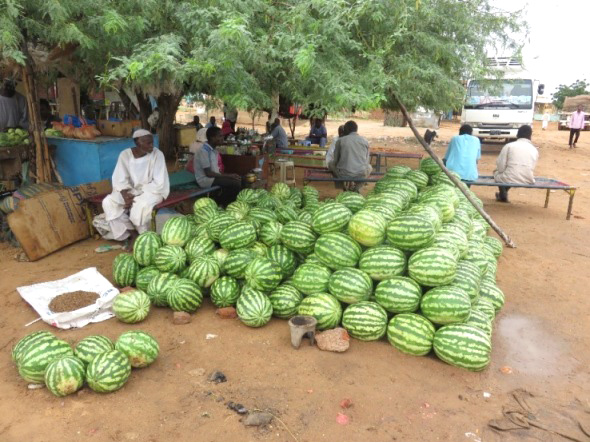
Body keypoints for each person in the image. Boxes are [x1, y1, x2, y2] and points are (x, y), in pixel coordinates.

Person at [99, 129, 170, 244]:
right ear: (137, 143)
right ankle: (132, 234)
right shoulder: (125, 155)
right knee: (108, 202)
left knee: (139, 205)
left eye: (152, 142)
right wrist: (125, 194)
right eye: (148, 143)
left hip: (153, 190)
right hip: (131, 190)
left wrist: (136, 195)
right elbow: (119, 179)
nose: (152, 145)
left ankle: (145, 238)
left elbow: (159, 182)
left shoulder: (158, 154)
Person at [193, 126, 242, 206]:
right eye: (220, 136)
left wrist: (228, 176)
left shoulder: (213, 150)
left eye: (222, 136)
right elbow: (208, 173)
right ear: (212, 138)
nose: (222, 138)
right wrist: (228, 176)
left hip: (214, 177)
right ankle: (224, 204)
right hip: (206, 180)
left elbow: (215, 171)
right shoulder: (204, 151)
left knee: (239, 178)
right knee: (235, 183)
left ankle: (222, 202)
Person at [493, 125, 538, 203]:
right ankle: (503, 193)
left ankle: (502, 193)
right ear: (530, 136)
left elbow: (501, 166)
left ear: (517, 135)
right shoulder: (534, 149)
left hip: (509, 177)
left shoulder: (509, 146)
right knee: (512, 172)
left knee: (498, 172)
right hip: (528, 179)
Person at [329, 120, 371, 191]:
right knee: (369, 167)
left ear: (346, 130)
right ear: (356, 129)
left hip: (344, 174)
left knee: (331, 164)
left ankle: (343, 187)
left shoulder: (340, 141)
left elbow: (336, 160)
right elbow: (366, 161)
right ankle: (357, 188)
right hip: (360, 174)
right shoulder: (365, 141)